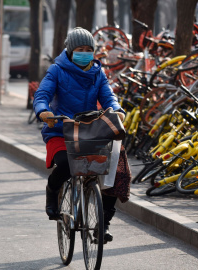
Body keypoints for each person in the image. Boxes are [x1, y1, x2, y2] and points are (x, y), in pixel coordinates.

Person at [33, 27, 125, 243]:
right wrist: (43, 111)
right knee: (65, 164)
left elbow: (109, 97)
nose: (85, 53)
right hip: (60, 130)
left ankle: (103, 223)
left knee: (115, 165)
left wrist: (117, 110)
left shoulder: (98, 73)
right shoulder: (56, 70)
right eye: (80, 49)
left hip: (89, 130)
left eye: (88, 49)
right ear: (70, 50)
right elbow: (42, 94)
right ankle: (52, 191)